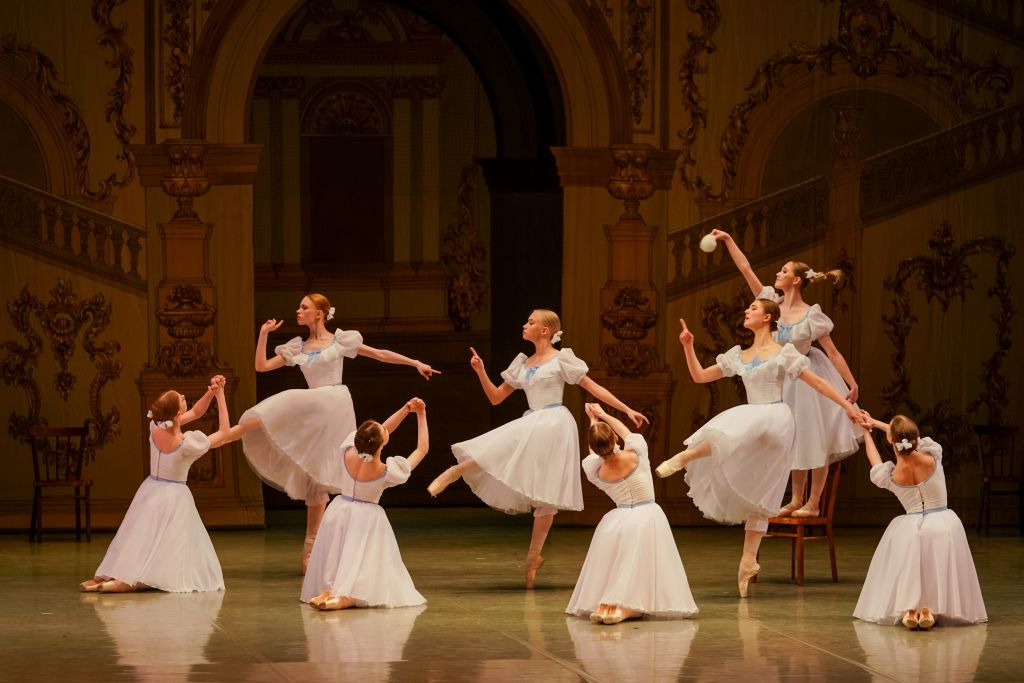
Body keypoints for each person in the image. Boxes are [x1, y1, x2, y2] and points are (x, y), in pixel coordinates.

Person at [426, 309, 648, 589]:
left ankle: (462, 473)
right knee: (522, 463)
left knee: (541, 485)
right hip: (534, 419)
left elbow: (594, 388)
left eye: (530, 322)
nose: (524, 324)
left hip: (554, 423)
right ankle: (530, 552)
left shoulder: (561, 359)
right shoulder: (523, 363)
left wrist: (626, 409)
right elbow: (496, 398)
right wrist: (480, 371)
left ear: (544, 330)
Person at [656, 302, 859, 597]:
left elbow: (817, 383)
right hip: (756, 426)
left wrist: (847, 406)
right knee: (760, 495)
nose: (746, 312)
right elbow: (700, 376)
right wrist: (688, 347)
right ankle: (748, 562)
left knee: (745, 417)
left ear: (767, 317)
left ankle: (687, 455)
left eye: (752, 308)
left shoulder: (784, 353)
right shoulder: (739, 356)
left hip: (776, 418)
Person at [232, 293, 438, 573]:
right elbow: (261, 366)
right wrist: (264, 334)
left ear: (319, 313)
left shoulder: (341, 341)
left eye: (304, 307)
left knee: (339, 470)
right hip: (313, 412)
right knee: (314, 476)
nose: (298, 311)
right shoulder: (297, 347)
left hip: (336, 410)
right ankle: (311, 546)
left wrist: (415, 362)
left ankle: (342, 548)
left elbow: (379, 354)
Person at [712, 229, 861, 518]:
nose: (777, 274)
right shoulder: (772, 303)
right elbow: (746, 269)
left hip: (807, 375)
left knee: (815, 436)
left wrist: (851, 382)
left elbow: (833, 352)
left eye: (783, 271)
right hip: (781, 376)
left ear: (795, 280)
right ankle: (795, 498)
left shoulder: (811, 315)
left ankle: (813, 501)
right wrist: (729, 241)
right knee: (793, 436)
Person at [80, 376, 236, 593]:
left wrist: (210, 392)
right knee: (167, 546)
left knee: (141, 540)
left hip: (151, 490)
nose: (184, 396)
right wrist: (220, 396)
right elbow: (225, 433)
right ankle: (127, 583)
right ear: (177, 414)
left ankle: (113, 577)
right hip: (174, 496)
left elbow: (196, 412)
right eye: (181, 398)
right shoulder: (186, 444)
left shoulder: (155, 427)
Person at [566, 403, 698, 624]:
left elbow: (594, 452)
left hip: (617, 521)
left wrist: (592, 422)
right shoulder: (636, 453)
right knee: (634, 566)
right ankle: (626, 608)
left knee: (620, 564)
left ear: (594, 449)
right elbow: (626, 432)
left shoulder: (595, 471)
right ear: (615, 439)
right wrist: (602, 415)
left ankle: (612, 604)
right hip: (646, 516)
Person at [852, 411, 987, 629]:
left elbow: (875, 460)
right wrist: (877, 424)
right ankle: (930, 610)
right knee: (935, 569)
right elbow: (904, 436)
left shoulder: (890, 475)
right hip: (943, 523)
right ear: (916, 438)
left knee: (912, 568)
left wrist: (867, 431)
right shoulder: (932, 454)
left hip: (910, 528)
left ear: (891, 440)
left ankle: (911, 610)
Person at [302, 398, 429, 610]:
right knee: (359, 561)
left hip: (340, 509)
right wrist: (421, 414)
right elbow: (422, 449)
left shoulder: (349, 449)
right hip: (365, 518)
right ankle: (340, 599)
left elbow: (381, 430)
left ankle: (329, 591)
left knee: (339, 556)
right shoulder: (386, 471)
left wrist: (406, 408)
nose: (385, 428)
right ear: (381, 444)